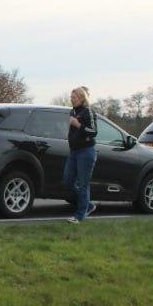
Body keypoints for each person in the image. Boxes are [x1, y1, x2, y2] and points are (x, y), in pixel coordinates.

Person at [64, 86, 98, 224]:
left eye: (74, 97)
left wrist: (78, 125)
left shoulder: (88, 111)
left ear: (81, 98)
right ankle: (88, 205)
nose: (71, 100)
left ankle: (79, 216)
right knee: (68, 181)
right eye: (71, 97)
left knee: (83, 184)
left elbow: (93, 131)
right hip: (74, 152)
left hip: (86, 152)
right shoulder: (72, 111)